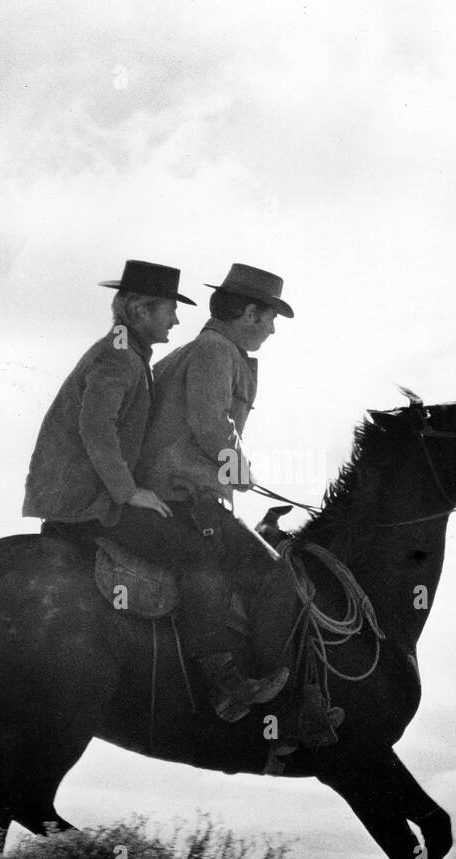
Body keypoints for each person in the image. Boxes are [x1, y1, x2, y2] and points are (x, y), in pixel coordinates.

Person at [22, 259, 288, 721]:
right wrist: (131, 492)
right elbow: (104, 426)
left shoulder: (134, 352)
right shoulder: (129, 353)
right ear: (142, 310)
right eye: (168, 308)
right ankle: (222, 682)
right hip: (92, 500)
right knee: (200, 558)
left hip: (115, 492)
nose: (177, 319)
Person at [138, 264, 337, 738]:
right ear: (249, 312)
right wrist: (238, 468)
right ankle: (251, 692)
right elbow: (209, 423)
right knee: (276, 578)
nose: (271, 330)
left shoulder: (199, 350)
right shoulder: (216, 351)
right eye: (270, 319)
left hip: (176, 492)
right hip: (187, 498)